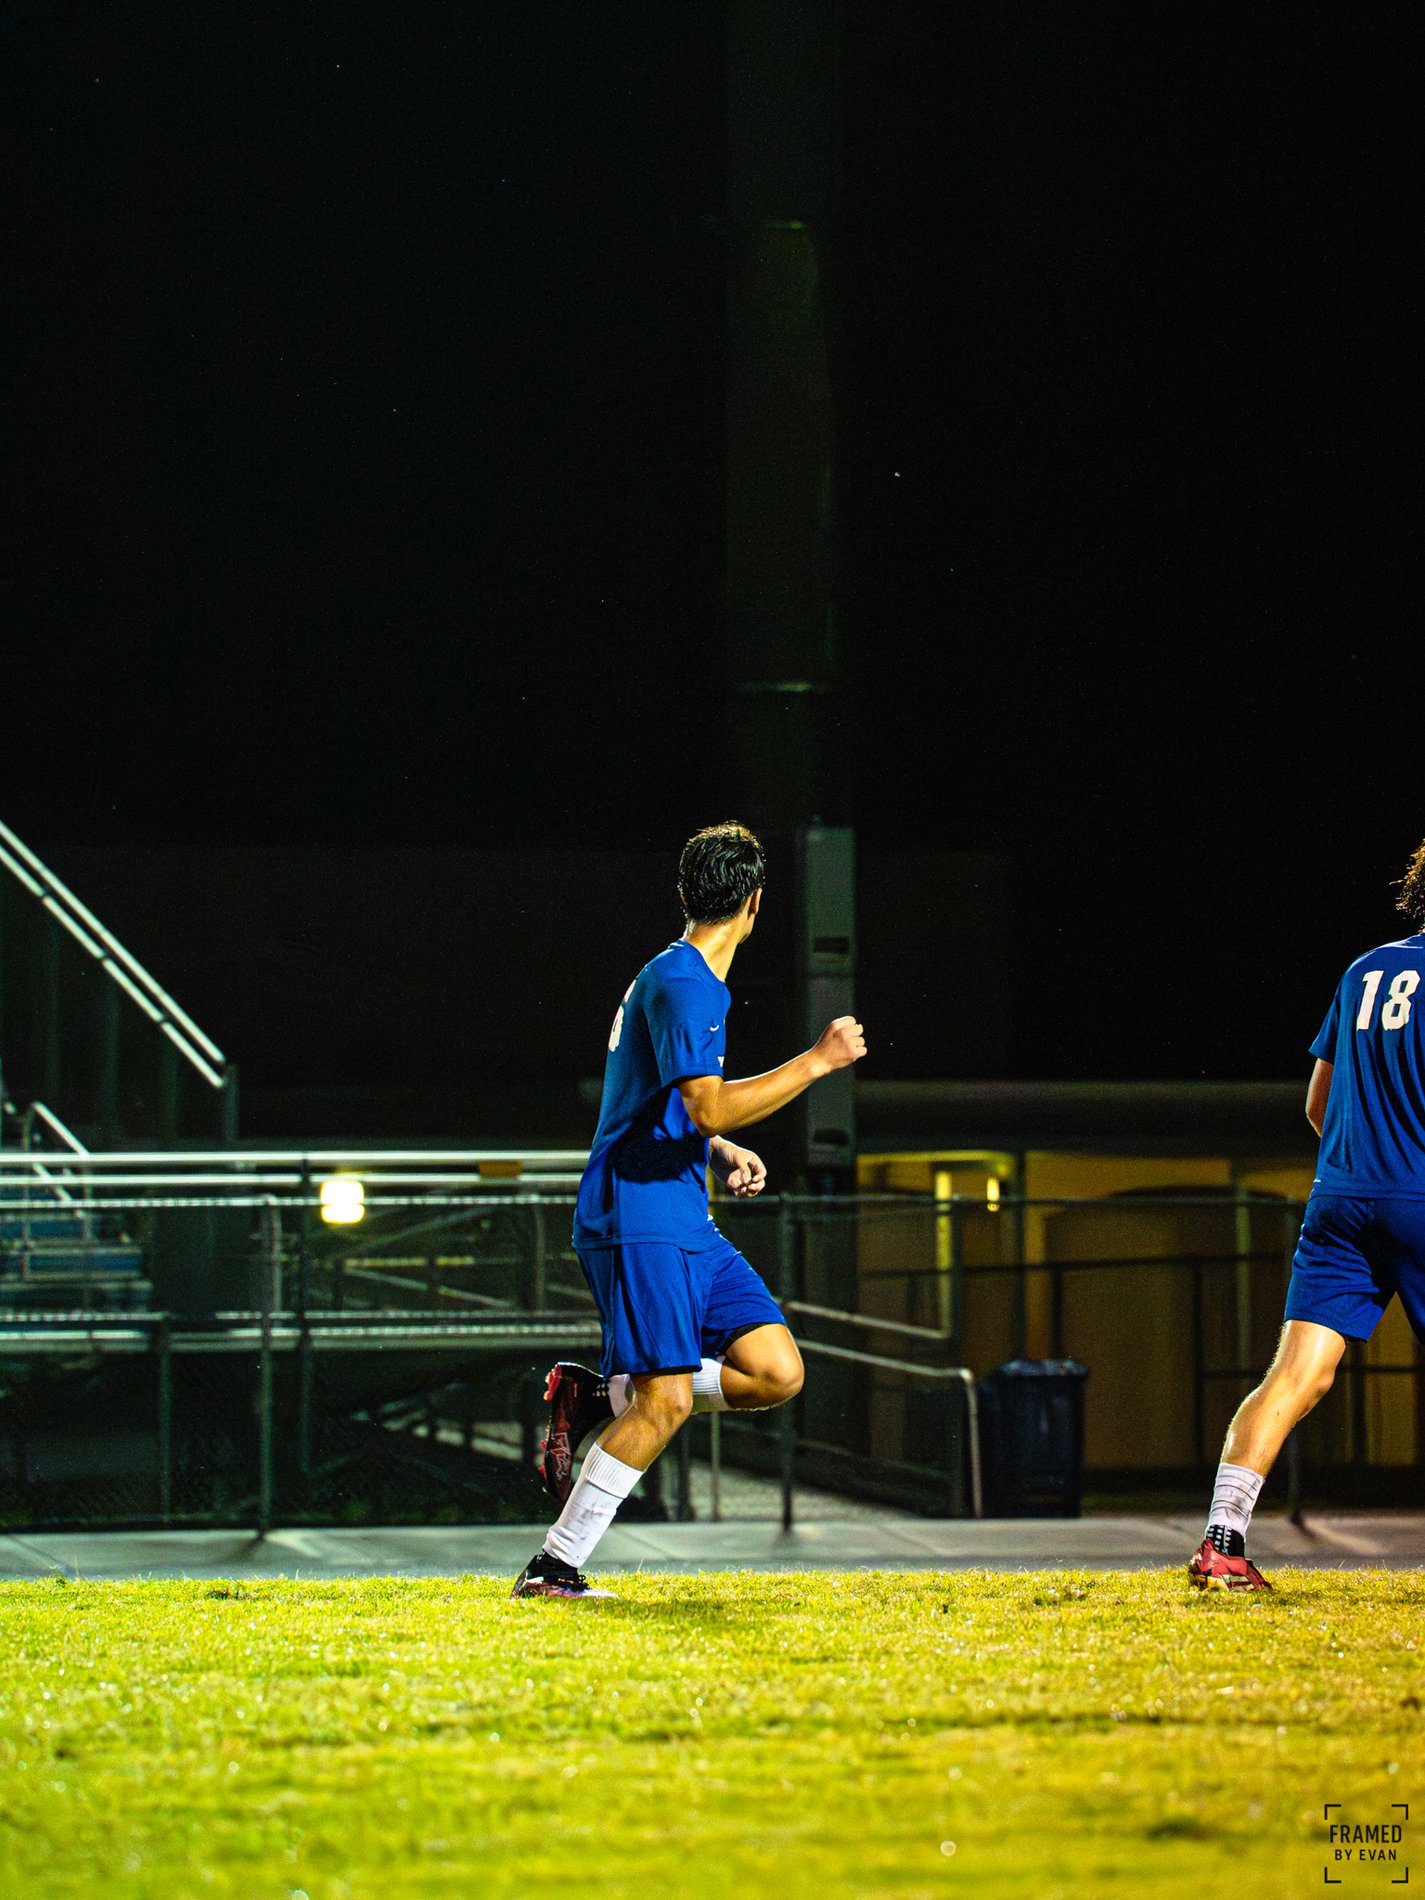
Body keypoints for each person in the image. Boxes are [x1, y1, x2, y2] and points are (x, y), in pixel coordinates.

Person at [512, 821, 867, 1599]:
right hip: (637, 1213)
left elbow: (664, 1105)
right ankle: (553, 1567)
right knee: (667, 1399)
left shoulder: (677, 977)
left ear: (684, 895)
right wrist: (816, 1061)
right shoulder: (683, 983)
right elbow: (703, 1107)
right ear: (755, 904)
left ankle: (596, 1395)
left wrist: (716, 1152)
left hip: (677, 1212)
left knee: (774, 1371)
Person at [1190, 838, 1425, 1591]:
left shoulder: (1365, 969)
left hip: (1339, 1200)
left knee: (1294, 1376)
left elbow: (1317, 1104)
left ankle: (1221, 1542)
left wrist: (1367, 1171)